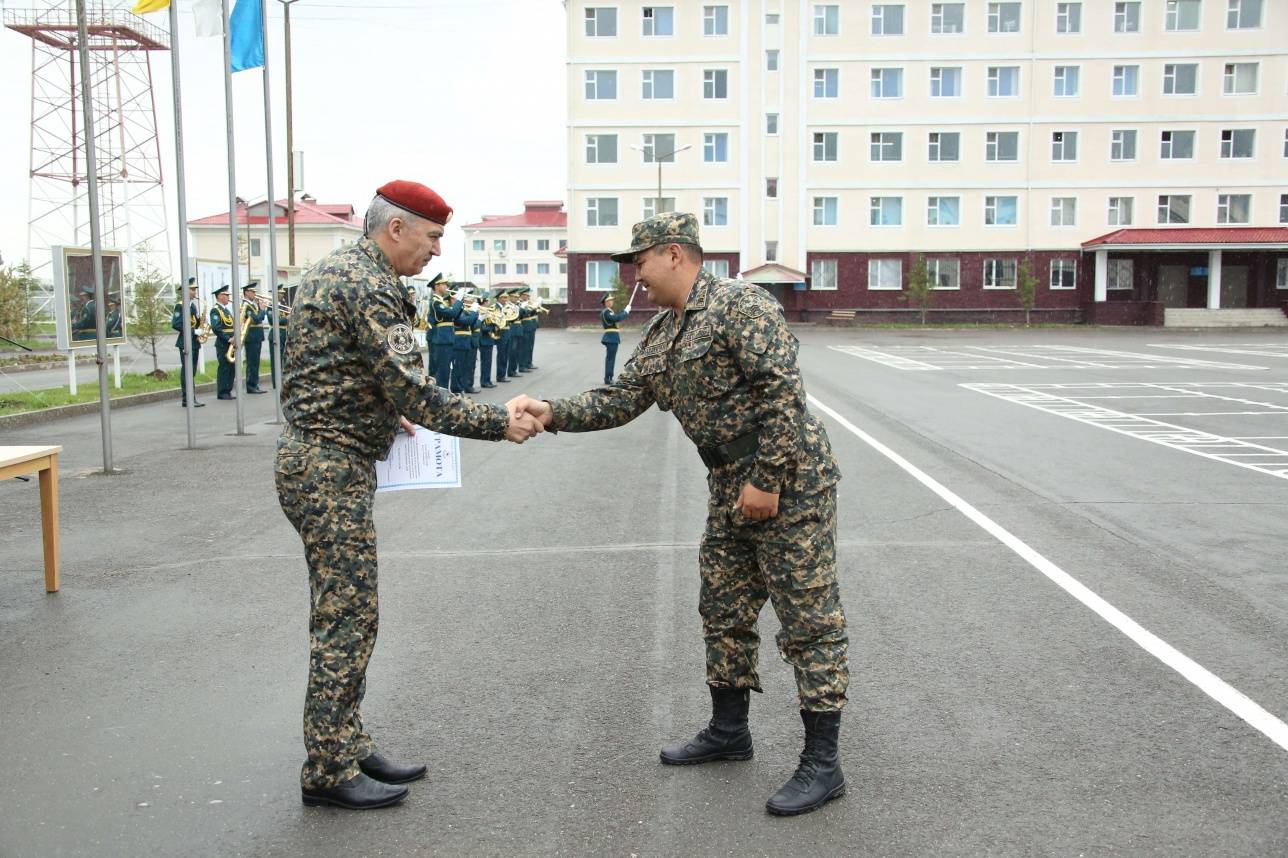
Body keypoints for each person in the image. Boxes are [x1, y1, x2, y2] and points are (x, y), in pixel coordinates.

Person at [511, 212, 849, 817]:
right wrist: (548, 410)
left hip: (788, 480)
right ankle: (730, 731)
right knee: (722, 604)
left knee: (808, 618)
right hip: (728, 483)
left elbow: (782, 393)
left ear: (674, 254)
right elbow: (620, 399)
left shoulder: (740, 306)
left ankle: (823, 764)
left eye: (638, 260)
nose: (634, 274)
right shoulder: (666, 329)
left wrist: (767, 481)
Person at [274, 179, 542, 811]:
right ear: (395, 228)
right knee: (347, 614)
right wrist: (498, 422)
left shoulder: (338, 269)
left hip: (321, 455)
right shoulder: (368, 283)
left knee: (350, 610)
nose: (436, 252)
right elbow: (417, 390)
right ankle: (328, 767)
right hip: (327, 466)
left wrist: (376, 409)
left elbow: (336, 369)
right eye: (432, 237)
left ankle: (346, 738)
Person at [170, 277, 205, 407]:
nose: (195, 292)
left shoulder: (192, 305)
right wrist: (193, 331)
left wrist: (201, 326)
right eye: (192, 289)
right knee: (187, 371)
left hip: (194, 342)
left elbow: (194, 322)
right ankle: (187, 399)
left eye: (195, 289)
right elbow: (176, 324)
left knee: (192, 371)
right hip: (185, 342)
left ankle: (191, 398)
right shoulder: (180, 305)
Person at [428, 276, 461, 389]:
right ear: (437, 286)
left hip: (448, 337)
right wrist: (459, 302)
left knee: (447, 370)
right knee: (442, 372)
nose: (447, 287)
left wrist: (458, 304)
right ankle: (441, 399)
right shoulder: (435, 302)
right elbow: (450, 314)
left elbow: (455, 315)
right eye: (444, 284)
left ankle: (445, 395)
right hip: (442, 339)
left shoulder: (442, 301)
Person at [209, 285, 236, 400]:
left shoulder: (226, 310)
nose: (228, 297)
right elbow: (216, 327)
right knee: (224, 367)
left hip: (232, 342)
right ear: (219, 296)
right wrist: (228, 338)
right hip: (223, 343)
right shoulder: (215, 310)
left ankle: (228, 390)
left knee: (231, 368)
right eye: (226, 295)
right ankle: (222, 392)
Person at [241, 282, 268, 394]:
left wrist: (260, 308)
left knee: (256, 362)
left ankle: (255, 384)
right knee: (252, 363)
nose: (255, 294)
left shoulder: (252, 304)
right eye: (252, 292)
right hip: (251, 337)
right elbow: (257, 319)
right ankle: (251, 386)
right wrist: (262, 309)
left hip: (256, 336)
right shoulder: (246, 305)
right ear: (246, 292)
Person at [599, 292, 630, 385]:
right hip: (611, 338)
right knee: (610, 359)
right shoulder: (606, 312)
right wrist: (626, 311)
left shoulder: (608, 312)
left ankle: (608, 377)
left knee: (610, 358)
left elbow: (616, 317)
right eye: (610, 300)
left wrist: (625, 311)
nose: (612, 302)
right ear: (606, 302)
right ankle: (608, 378)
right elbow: (616, 318)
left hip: (611, 337)